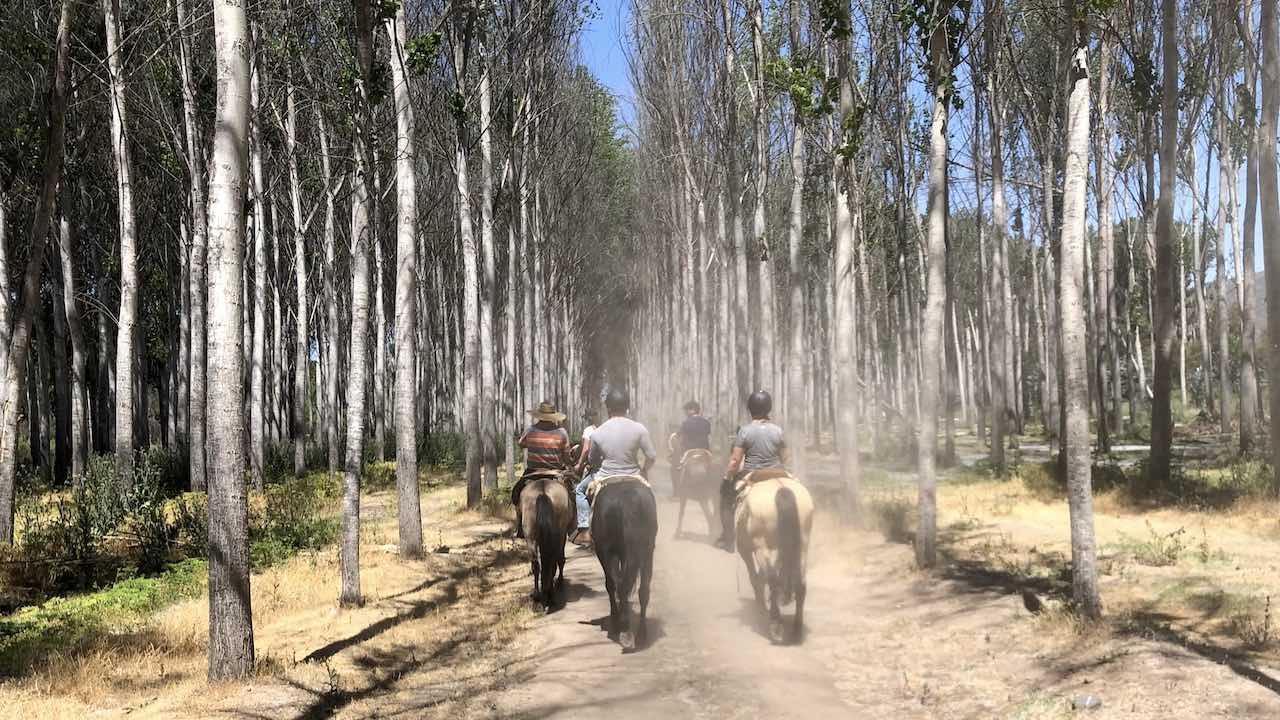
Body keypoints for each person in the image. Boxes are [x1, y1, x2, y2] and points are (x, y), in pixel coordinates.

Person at [572, 388, 656, 546]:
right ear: (627, 406)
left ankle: (585, 531)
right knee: (649, 497)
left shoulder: (598, 432)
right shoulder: (639, 428)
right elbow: (651, 456)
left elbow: (592, 459)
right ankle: (651, 534)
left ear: (608, 408)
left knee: (582, 491)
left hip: (604, 477)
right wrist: (644, 470)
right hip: (634, 475)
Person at [715, 390, 788, 551]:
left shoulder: (745, 431)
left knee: (726, 497)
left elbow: (735, 461)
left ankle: (728, 539)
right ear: (768, 408)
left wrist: (727, 477)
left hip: (752, 473)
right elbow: (785, 457)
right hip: (778, 471)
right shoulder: (778, 430)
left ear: (750, 409)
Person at [512, 401, 571, 539]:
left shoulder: (530, 430)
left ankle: (520, 526)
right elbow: (566, 456)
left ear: (539, 415)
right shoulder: (562, 432)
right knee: (572, 495)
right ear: (553, 417)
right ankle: (572, 526)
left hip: (533, 473)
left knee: (516, 494)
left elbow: (521, 444)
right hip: (555, 473)